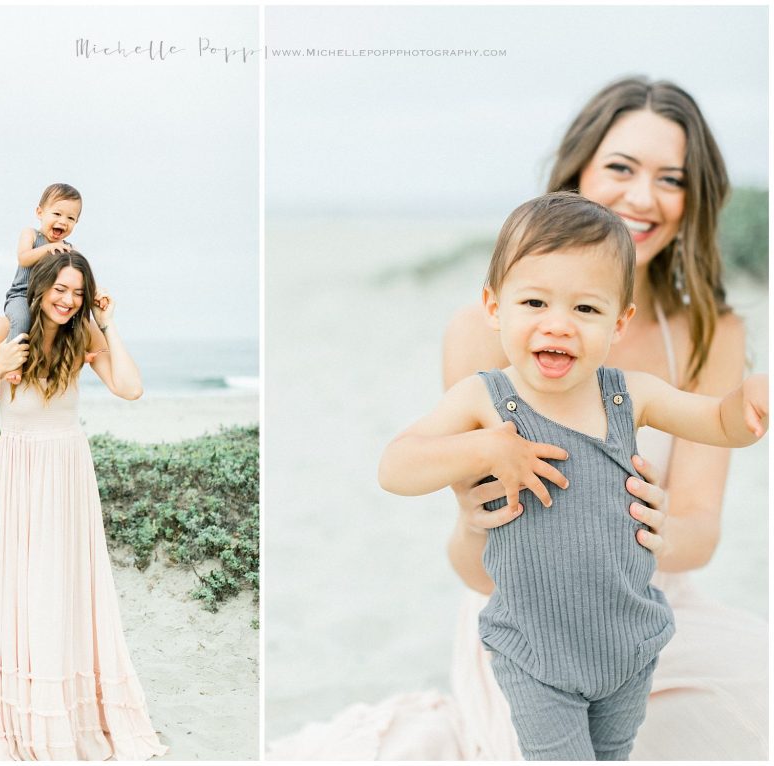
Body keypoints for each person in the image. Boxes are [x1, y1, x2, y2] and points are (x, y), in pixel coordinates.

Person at [267, 77, 768, 760]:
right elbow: (473, 560)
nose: (643, 198)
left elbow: (706, 496)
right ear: (578, 173)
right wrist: (478, 508)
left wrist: (648, 529)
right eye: (620, 167)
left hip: (645, 608)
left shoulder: (709, 334)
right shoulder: (490, 343)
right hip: (530, 611)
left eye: (671, 179)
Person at [378, 191, 767, 760]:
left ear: (619, 321)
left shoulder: (629, 395)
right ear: (494, 307)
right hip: (535, 650)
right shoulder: (485, 400)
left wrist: (747, 400)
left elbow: (715, 421)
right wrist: (486, 447)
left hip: (627, 642)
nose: (559, 326)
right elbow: (396, 467)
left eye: (586, 310)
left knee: (612, 755)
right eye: (535, 303)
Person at [0, 250, 168, 760]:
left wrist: (108, 326)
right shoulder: (0, 331)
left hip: (70, 470)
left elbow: (130, 388)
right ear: (41, 284)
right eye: (61, 290)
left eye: (78, 292)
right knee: (26, 590)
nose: (68, 301)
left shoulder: (82, 335)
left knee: (69, 588)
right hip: (20, 469)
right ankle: (30, 712)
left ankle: (74, 711)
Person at [3, 183, 84, 384]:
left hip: (48, 301)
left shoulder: (68, 248)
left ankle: (77, 357)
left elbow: (81, 276)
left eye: (70, 218)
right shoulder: (31, 234)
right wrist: (50, 249)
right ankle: (14, 364)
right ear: (40, 212)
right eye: (57, 214)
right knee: (22, 320)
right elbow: (24, 258)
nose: (62, 221)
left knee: (74, 324)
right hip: (22, 295)